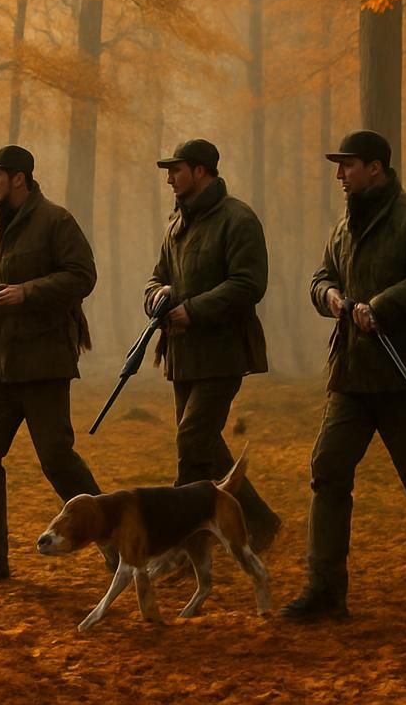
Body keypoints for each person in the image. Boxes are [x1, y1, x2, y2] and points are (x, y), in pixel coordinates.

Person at [283, 130, 406, 621]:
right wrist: (327, 296)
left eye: (348, 165)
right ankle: (325, 590)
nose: (339, 175)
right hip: (351, 370)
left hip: (403, 369)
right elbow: (320, 275)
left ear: (376, 168)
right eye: (339, 166)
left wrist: (383, 306)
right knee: (327, 469)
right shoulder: (343, 227)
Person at [0, 145, 105, 580]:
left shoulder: (57, 221)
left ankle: (118, 539)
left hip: (44, 363)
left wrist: (28, 290)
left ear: (19, 178)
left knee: (56, 458)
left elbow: (82, 275)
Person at [144, 139, 282, 553]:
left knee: (191, 442)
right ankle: (261, 520)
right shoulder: (176, 225)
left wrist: (194, 311)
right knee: (204, 444)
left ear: (201, 171)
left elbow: (248, 284)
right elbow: (157, 276)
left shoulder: (238, 219)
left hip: (224, 351)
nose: (169, 177)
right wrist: (155, 297)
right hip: (183, 354)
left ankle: (180, 543)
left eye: (177, 169)